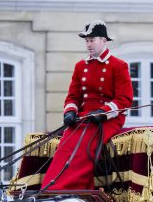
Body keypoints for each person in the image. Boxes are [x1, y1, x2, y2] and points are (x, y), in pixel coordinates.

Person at [42, 21, 134, 191]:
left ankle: (69, 189)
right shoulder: (80, 66)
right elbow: (73, 96)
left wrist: (104, 112)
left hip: (108, 117)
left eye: (92, 40)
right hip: (85, 115)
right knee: (65, 144)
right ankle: (51, 188)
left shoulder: (118, 65)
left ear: (104, 41)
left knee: (85, 146)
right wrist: (70, 112)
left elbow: (124, 99)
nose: (88, 44)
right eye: (87, 41)